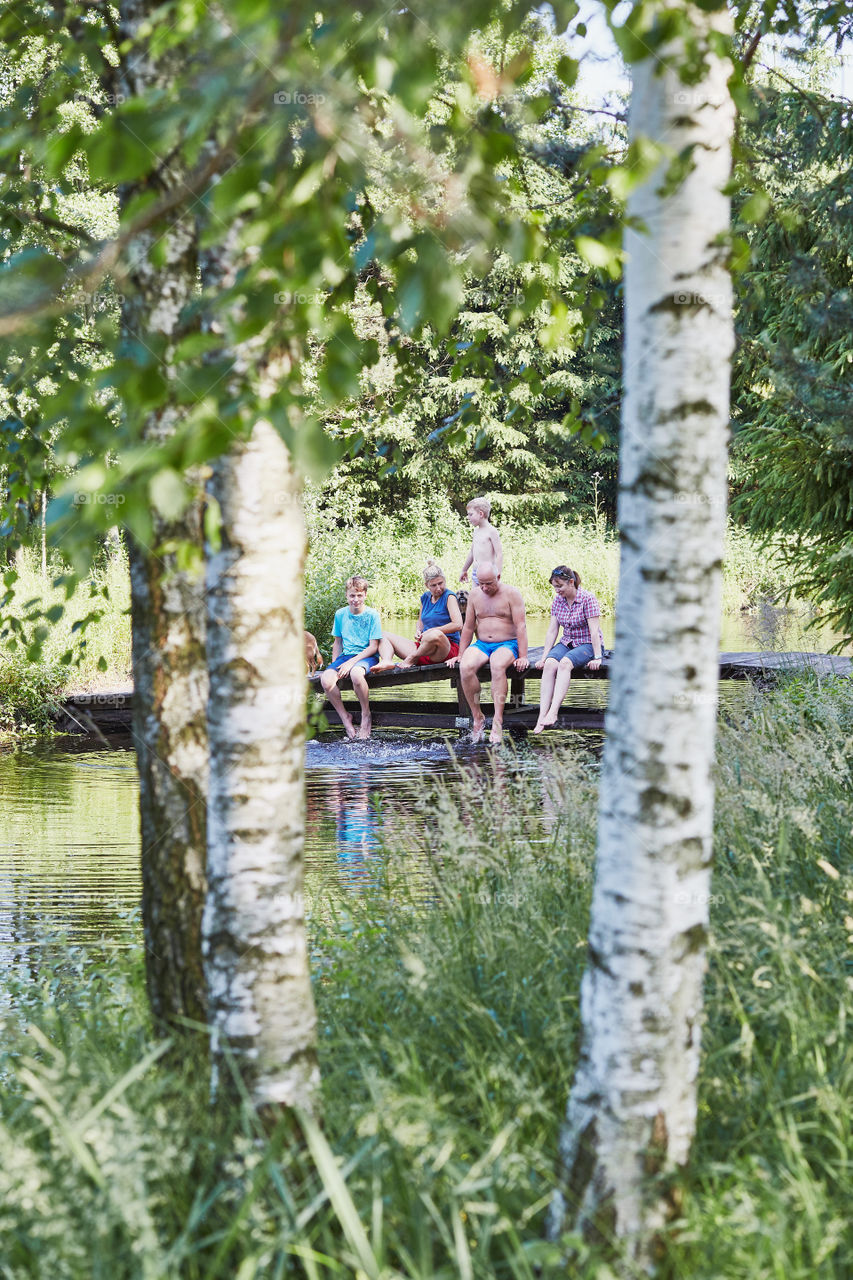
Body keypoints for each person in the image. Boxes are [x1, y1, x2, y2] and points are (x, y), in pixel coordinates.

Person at [447, 561, 528, 745]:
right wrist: (461, 654)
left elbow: (521, 626)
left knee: (498, 665)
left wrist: (523, 656)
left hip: (508, 643)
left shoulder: (511, 594)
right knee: (465, 666)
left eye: (489, 583)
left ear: (498, 577)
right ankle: (478, 717)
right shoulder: (475, 594)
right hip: (482, 643)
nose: (484, 587)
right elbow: (468, 627)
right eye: (481, 583)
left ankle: (498, 720)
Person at [533, 566, 604, 733]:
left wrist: (598, 657)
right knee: (551, 663)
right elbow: (552, 630)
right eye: (555, 587)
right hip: (567, 642)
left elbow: (594, 631)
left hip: (587, 643)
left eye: (560, 586)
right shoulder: (558, 600)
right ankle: (541, 717)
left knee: (565, 663)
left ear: (571, 582)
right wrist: (544, 657)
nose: (557, 591)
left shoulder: (588, 599)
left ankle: (553, 712)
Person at [371, 560, 463, 671]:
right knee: (382, 635)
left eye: (441, 583)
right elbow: (420, 621)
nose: (438, 588)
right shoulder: (425, 597)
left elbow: (458, 625)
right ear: (426, 585)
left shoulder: (449, 597)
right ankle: (387, 661)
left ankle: (413, 657)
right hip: (424, 648)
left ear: (445, 581)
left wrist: (433, 630)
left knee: (436, 634)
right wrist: (418, 630)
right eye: (433, 585)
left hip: (445, 649)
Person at [320, 576, 382, 740]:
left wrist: (351, 663)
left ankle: (366, 714)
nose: (356, 599)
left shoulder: (372, 615)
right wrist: (334, 666)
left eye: (359, 595)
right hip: (346, 656)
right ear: (346, 596)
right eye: (352, 595)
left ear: (365, 595)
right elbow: (338, 642)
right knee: (326, 679)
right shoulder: (340, 614)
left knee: (355, 674)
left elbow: (374, 646)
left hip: (367, 656)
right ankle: (345, 718)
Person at [459, 496, 502, 587]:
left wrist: (497, 573)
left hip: (488, 576)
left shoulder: (492, 531)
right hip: (476, 573)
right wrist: (464, 570)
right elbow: (472, 553)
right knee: (476, 598)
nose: (468, 517)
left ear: (481, 514)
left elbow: (499, 554)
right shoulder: (476, 531)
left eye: (471, 514)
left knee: (489, 599)